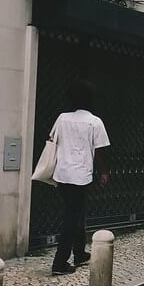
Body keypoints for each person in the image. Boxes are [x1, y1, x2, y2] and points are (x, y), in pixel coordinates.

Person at [51, 80, 109, 276]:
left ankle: (79, 253)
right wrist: (103, 172)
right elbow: (100, 151)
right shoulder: (95, 122)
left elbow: (52, 140)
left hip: (62, 173)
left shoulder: (62, 118)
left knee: (75, 213)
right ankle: (60, 262)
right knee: (72, 216)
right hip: (81, 174)